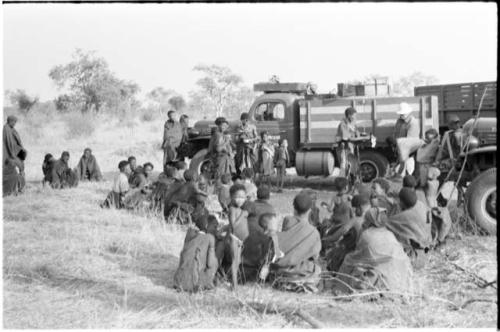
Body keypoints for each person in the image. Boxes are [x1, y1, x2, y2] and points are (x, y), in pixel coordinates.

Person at [333, 204, 412, 294]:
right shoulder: (389, 233)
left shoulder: (367, 234)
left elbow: (359, 257)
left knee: (348, 259)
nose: (364, 221)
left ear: (371, 220)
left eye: (366, 219)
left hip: (379, 273)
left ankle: (340, 289)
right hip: (397, 273)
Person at [264, 192, 322, 293]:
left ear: (293, 208)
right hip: (299, 274)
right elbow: (315, 255)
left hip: (279, 273)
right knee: (317, 269)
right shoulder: (313, 232)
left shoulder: (287, 220)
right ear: (310, 210)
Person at [385, 188, 432, 268]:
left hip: (415, 257)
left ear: (401, 202)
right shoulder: (421, 205)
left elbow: (386, 223)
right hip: (426, 250)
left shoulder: (405, 216)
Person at [323, 194, 370, 272]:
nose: (353, 211)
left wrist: (326, 239)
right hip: (364, 251)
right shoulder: (370, 221)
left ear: (358, 208)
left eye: (354, 208)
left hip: (350, 250)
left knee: (334, 254)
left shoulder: (354, 220)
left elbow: (336, 236)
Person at [173, 215, 219, 292]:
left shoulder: (190, 234)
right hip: (194, 285)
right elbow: (210, 264)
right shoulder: (210, 238)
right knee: (215, 260)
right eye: (214, 227)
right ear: (207, 226)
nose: (216, 230)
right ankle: (208, 283)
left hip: (178, 282)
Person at [391, 102, 421, 177]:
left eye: (403, 114)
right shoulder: (399, 121)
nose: (401, 115)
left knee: (407, 170)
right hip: (400, 149)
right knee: (400, 171)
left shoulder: (413, 123)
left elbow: (410, 141)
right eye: (400, 114)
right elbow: (395, 133)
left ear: (408, 113)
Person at [3, 115, 27, 194]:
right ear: (10, 121)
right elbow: (9, 143)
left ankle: (21, 187)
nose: (14, 123)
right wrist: (14, 153)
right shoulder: (6, 129)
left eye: (15, 122)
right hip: (10, 153)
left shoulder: (11, 129)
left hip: (14, 151)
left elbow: (15, 141)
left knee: (21, 166)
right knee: (18, 166)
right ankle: (20, 187)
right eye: (14, 122)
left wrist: (21, 149)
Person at [336, 107, 361, 178]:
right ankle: (342, 184)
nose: (355, 117)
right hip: (343, 148)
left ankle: (349, 182)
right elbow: (346, 137)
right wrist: (355, 136)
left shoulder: (352, 124)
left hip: (350, 148)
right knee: (344, 166)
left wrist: (357, 134)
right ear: (349, 115)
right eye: (354, 115)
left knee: (351, 166)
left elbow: (357, 133)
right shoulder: (343, 124)